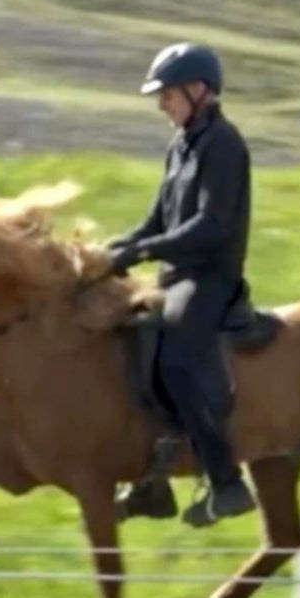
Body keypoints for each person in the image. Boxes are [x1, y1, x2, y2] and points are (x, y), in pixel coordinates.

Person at [106, 42, 258, 527]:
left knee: (175, 356)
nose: (161, 104)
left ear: (200, 91)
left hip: (210, 279)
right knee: (126, 339)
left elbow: (211, 227)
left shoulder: (225, 145)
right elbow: (157, 220)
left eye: (168, 94)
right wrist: (115, 249)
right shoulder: (182, 144)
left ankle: (226, 482)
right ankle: (151, 484)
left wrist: (145, 251)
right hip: (176, 274)